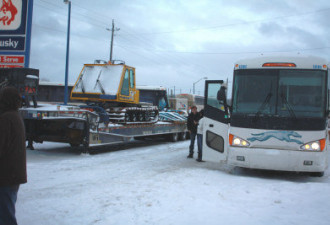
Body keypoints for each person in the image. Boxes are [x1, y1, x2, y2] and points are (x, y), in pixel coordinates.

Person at [0, 86, 27, 225]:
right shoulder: (16, 116)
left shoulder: (5, 119)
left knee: (5, 217)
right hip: (13, 176)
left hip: (5, 176)